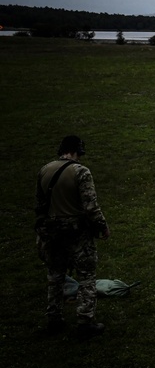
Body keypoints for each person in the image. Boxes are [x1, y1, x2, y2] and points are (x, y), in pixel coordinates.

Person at [34, 135, 111, 340]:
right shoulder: (81, 172)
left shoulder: (45, 170)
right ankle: (85, 319)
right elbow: (90, 206)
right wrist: (102, 226)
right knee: (86, 275)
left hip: (51, 231)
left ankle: (54, 317)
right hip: (76, 232)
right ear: (78, 151)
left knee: (55, 275)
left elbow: (40, 205)